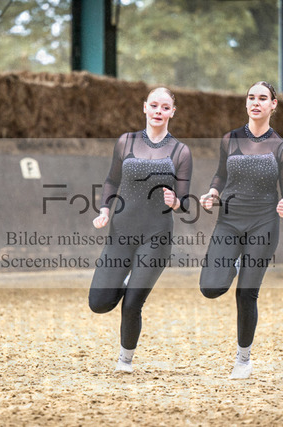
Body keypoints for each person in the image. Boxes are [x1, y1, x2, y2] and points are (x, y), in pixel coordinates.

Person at [89, 87, 193, 373]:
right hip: (121, 233)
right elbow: (111, 181)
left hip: (156, 236)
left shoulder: (181, 152)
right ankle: (125, 282)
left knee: (133, 303)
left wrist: (176, 202)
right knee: (98, 303)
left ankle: (125, 360)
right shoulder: (126, 142)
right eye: (154, 105)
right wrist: (104, 210)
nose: (159, 111)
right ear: (144, 107)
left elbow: (185, 201)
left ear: (172, 112)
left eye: (165, 107)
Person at [199, 81, 283, 379]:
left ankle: (243, 360)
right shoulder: (230, 139)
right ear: (246, 103)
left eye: (262, 98)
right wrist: (212, 192)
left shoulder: (281, 148)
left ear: (273, 105)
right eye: (251, 97)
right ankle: (235, 263)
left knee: (246, 293)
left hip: (263, 224)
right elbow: (220, 175)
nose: (256, 102)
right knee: (210, 288)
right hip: (229, 222)